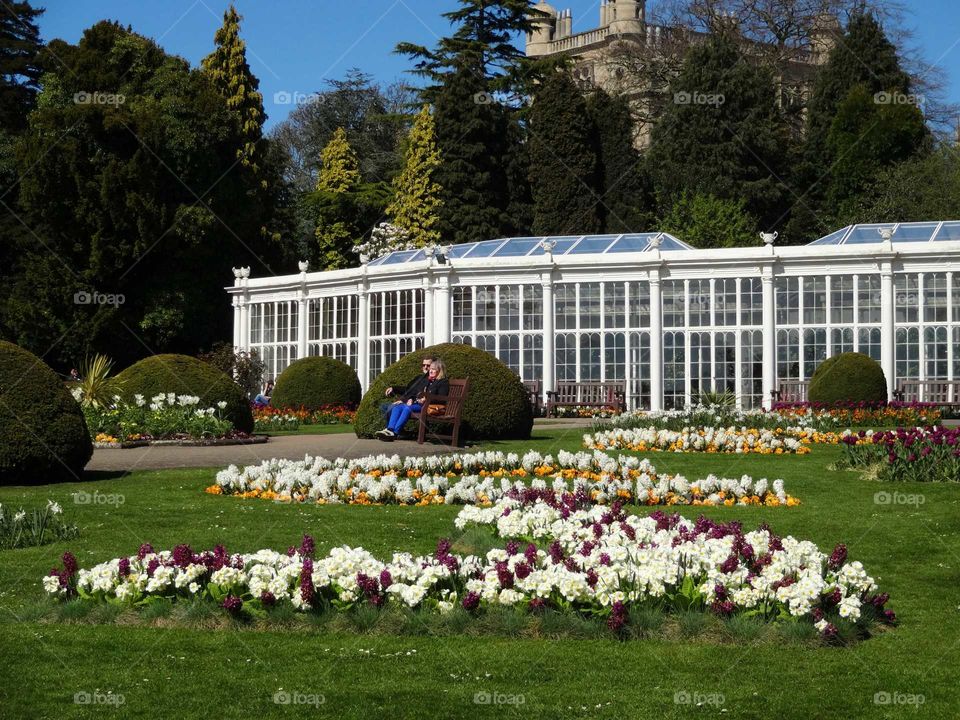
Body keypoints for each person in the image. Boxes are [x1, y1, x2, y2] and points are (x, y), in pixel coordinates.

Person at [376, 359, 448, 440]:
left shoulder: (443, 382)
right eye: (430, 369)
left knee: (407, 408)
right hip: (418, 404)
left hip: (429, 406)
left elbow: (442, 398)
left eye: (433, 369)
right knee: (398, 406)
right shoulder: (427, 381)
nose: (430, 371)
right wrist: (411, 399)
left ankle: (395, 432)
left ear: (439, 371)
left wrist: (427, 399)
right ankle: (390, 429)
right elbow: (414, 392)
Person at [380, 354, 437, 421]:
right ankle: (391, 429)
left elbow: (419, 393)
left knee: (392, 407)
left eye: (428, 365)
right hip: (409, 401)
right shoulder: (419, 378)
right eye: (423, 365)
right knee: (384, 406)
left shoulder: (432, 380)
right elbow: (408, 389)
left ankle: (392, 429)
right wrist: (394, 388)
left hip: (418, 404)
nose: (425, 367)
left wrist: (405, 400)